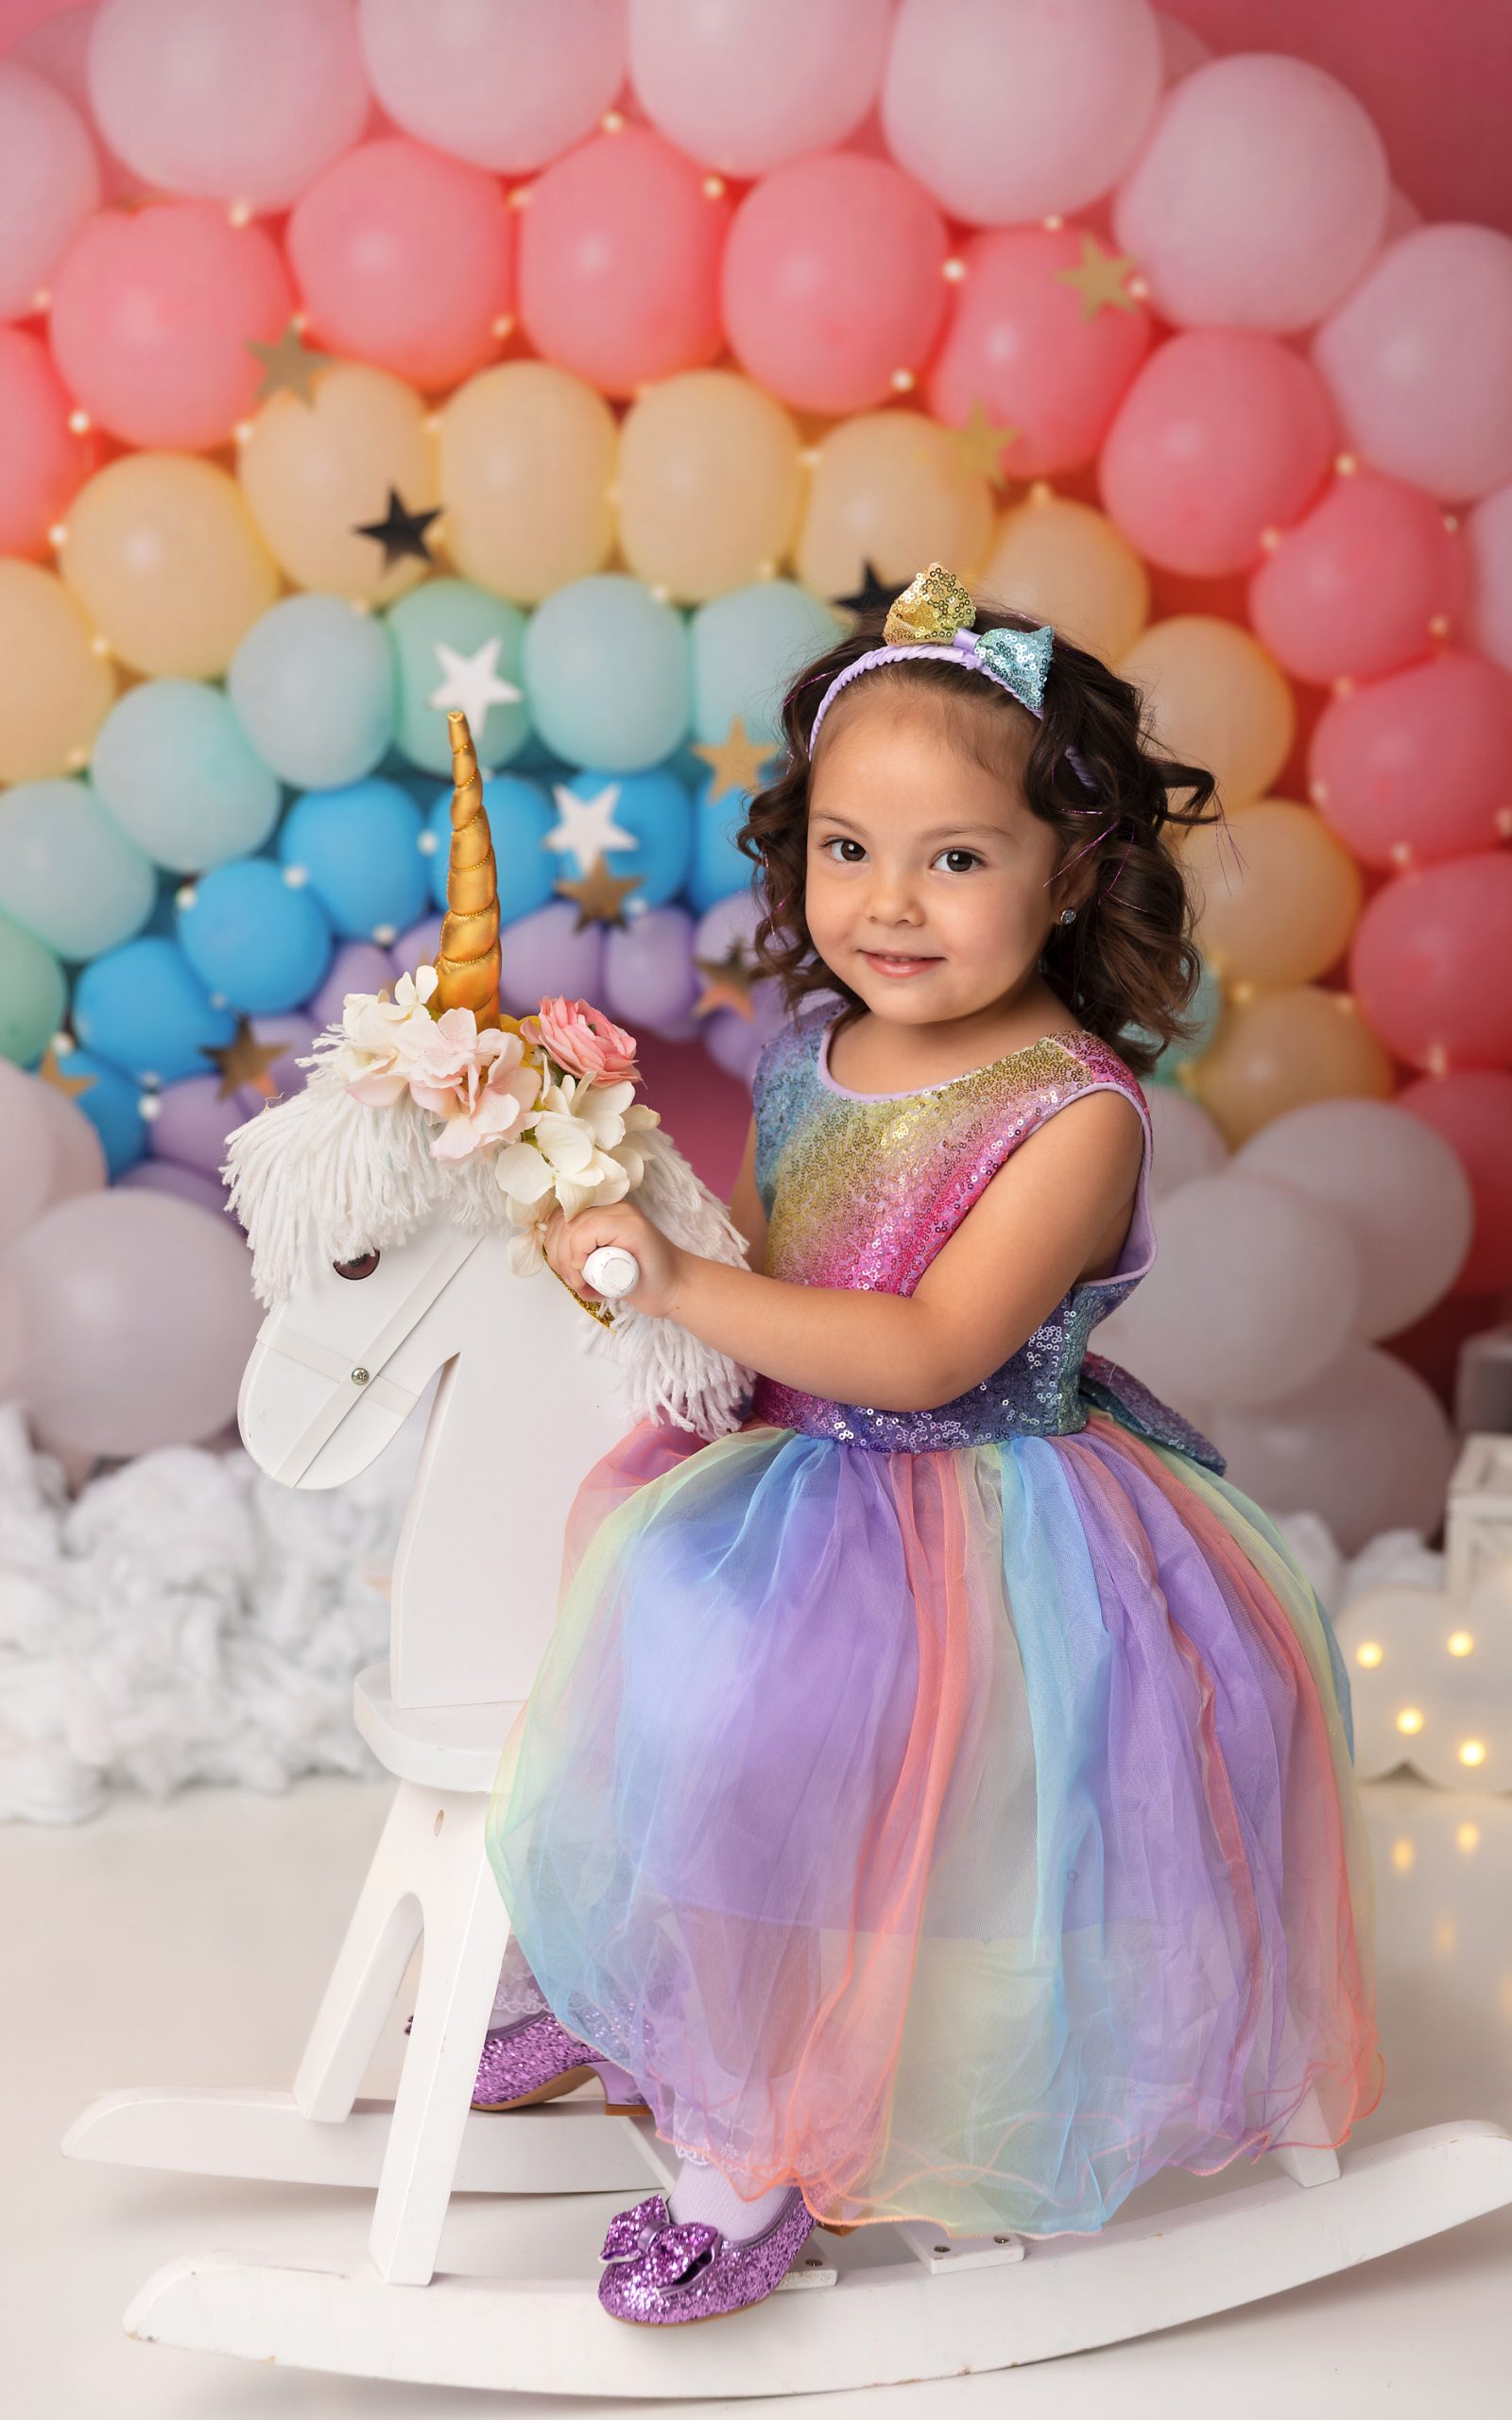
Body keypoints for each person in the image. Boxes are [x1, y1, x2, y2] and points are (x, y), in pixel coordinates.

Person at [481, 562, 1383, 2328]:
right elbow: (773, 1268)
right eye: (848, 850)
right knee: (637, 1626)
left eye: (956, 858)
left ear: (1071, 871)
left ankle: (756, 2151)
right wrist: (641, 1265)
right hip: (797, 1470)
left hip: (984, 1514)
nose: (890, 905)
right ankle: (617, 1989)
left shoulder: (1072, 1116)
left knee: (805, 1724)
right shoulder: (816, 1049)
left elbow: (922, 1348)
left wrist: (675, 1276)